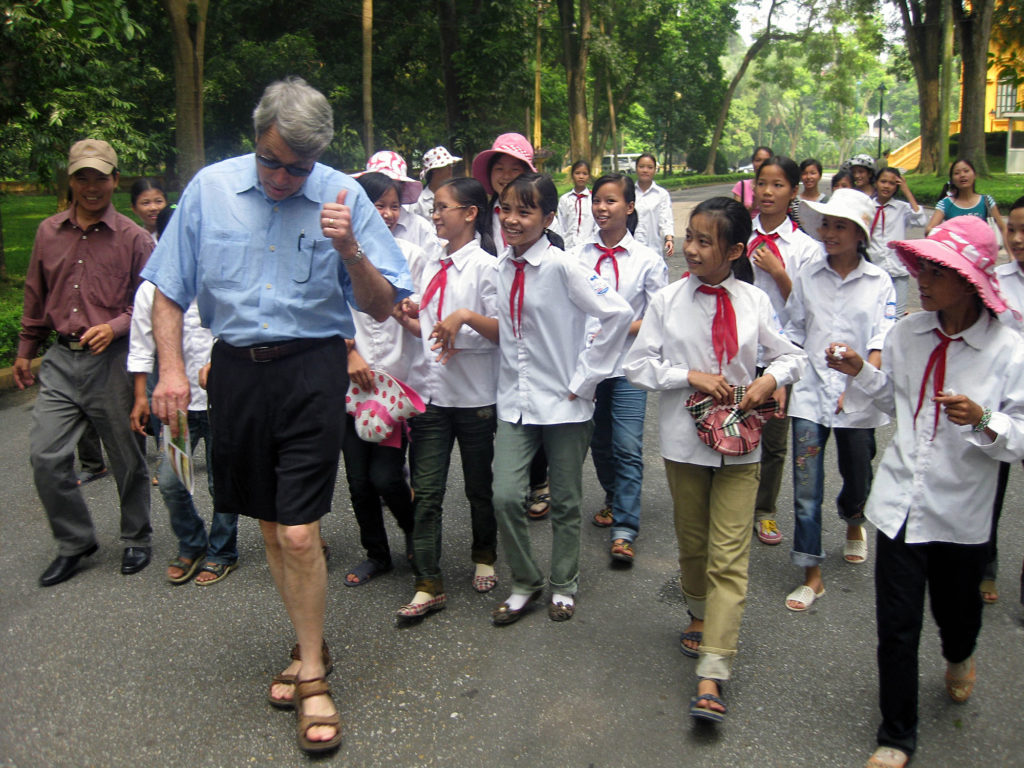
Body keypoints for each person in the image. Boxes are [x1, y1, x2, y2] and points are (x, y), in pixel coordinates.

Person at [144, 77, 412, 755]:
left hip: (311, 369)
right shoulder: (208, 190)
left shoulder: (344, 196)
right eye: (273, 161)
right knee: (268, 525)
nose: (286, 178)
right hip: (235, 373)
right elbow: (167, 291)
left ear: (318, 156)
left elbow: (383, 306)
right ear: (255, 137)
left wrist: (350, 247)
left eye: (300, 167)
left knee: (299, 534)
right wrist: (171, 370)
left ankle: (315, 673)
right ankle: (306, 641)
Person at [827, 216, 1024, 768]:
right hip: (897, 505)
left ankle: (960, 653)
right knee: (896, 625)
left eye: (939, 271)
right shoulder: (907, 334)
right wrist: (857, 370)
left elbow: (1018, 438)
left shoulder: (1008, 352)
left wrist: (984, 419)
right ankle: (896, 734)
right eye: (923, 267)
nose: (923, 279)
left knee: (956, 615)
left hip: (960, 511)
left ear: (971, 281)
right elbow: (892, 401)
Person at [623, 196, 805, 724]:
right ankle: (699, 612)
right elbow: (639, 365)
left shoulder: (753, 301)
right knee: (694, 543)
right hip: (684, 443)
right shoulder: (666, 301)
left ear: (735, 250)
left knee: (729, 554)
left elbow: (792, 353)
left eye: (706, 241)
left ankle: (714, 670)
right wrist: (690, 376)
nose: (692, 249)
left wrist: (770, 379)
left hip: (741, 446)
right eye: (690, 237)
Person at [490, 173, 632, 625]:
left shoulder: (563, 266)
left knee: (567, 501)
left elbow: (618, 313)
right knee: (506, 496)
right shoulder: (500, 267)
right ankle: (525, 581)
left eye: (524, 211)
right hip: (515, 401)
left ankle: (564, 583)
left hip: (565, 403)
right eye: (507, 209)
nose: (512, 220)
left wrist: (587, 375)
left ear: (548, 217)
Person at [15, 139, 154, 587]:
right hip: (59, 359)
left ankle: (137, 536)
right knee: (46, 455)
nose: (91, 187)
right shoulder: (47, 232)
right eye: (82, 177)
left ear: (116, 179)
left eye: (100, 177)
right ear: (70, 180)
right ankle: (75, 542)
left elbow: (148, 306)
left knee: (126, 457)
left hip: (111, 360)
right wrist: (25, 350)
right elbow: (36, 295)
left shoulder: (133, 238)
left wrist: (114, 326)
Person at [783, 189, 897, 612]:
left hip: (859, 398)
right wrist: (782, 380)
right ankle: (811, 573)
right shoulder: (810, 276)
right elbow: (792, 331)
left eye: (840, 226)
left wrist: (860, 373)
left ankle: (854, 519)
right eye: (826, 224)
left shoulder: (879, 281)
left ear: (860, 234)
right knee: (805, 488)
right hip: (810, 396)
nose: (829, 233)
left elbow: (881, 340)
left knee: (858, 471)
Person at [393, 176, 500, 619]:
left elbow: (504, 334)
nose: (434, 215)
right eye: (433, 208)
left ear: (470, 213)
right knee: (428, 491)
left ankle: (485, 556)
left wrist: (463, 324)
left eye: (442, 207)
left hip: (475, 398)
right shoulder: (432, 263)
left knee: (479, 488)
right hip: (432, 398)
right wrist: (404, 318)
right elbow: (429, 332)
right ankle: (428, 581)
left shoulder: (487, 267)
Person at [573, 173, 667, 561]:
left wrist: (619, 328)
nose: (601, 208)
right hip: (590, 366)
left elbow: (661, 314)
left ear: (630, 207)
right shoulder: (579, 256)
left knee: (627, 446)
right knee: (600, 442)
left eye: (611, 201)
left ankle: (625, 528)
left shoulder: (647, 259)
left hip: (629, 367)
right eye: (597, 200)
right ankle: (613, 496)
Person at [127, 261, 239, 586]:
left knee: (222, 485)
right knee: (172, 482)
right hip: (176, 405)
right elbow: (140, 346)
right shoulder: (153, 288)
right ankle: (191, 541)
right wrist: (139, 397)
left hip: (222, 402)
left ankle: (222, 551)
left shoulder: (223, 280)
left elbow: (241, 330)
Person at [339, 171, 422, 588]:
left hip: (394, 385)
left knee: (387, 477)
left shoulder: (412, 254)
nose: (387, 214)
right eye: (378, 205)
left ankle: (416, 533)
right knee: (357, 481)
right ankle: (377, 553)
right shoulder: (335, 255)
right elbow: (323, 312)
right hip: (348, 382)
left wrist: (404, 313)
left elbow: (423, 315)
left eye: (394, 206)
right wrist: (350, 352)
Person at [747, 156, 821, 546]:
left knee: (774, 440)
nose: (768, 192)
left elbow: (808, 310)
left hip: (782, 354)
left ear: (794, 191)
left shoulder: (805, 248)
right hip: (740, 351)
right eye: (762, 183)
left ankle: (765, 510)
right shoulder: (740, 235)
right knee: (734, 427)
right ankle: (735, 504)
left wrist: (778, 271)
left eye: (778, 185)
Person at [986, 195, 1024, 606]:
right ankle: (985, 564)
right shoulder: (996, 280)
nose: (1016, 238)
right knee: (990, 489)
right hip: (1001, 402)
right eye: (1011, 228)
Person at [869, 167, 927, 318]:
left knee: (897, 316)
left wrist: (906, 190)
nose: (887, 186)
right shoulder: (867, 207)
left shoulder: (902, 208)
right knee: (875, 314)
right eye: (883, 181)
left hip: (897, 270)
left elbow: (920, 220)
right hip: (875, 269)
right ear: (876, 183)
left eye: (892, 183)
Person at [354, 151, 435, 250]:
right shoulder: (353, 227)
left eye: (393, 182)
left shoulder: (420, 228)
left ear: (403, 186)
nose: (387, 186)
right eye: (380, 182)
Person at [472, 132, 537, 251]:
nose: (506, 176)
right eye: (499, 169)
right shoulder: (479, 218)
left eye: (515, 169)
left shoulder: (540, 216)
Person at [925, 158, 1009, 246]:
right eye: (957, 173)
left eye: (966, 171)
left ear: (974, 175)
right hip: (956, 256)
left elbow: (1003, 229)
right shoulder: (945, 204)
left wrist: (1011, 256)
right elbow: (929, 230)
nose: (962, 175)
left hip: (982, 256)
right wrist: (949, 234)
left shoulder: (986, 201)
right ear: (952, 180)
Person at [633, 153, 675, 257]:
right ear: (636, 168)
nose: (645, 170)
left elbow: (666, 219)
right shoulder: (628, 192)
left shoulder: (661, 194)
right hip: (631, 248)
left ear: (655, 169)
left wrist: (669, 238)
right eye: (641, 167)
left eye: (650, 167)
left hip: (652, 248)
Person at [410, 145, 461, 221]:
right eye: (447, 166)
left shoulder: (456, 196)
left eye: (451, 166)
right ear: (435, 170)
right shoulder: (419, 203)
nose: (450, 170)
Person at [557, 160, 596, 249]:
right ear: (572, 175)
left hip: (588, 246)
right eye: (577, 173)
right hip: (568, 246)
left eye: (584, 174)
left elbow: (596, 224)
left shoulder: (593, 199)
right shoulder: (565, 199)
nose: (581, 177)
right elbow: (561, 223)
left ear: (589, 176)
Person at [731, 146, 772, 217]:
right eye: (758, 160)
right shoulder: (742, 185)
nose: (761, 164)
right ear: (753, 162)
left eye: (766, 161)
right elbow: (736, 216)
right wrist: (754, 203)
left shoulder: (777, 187)